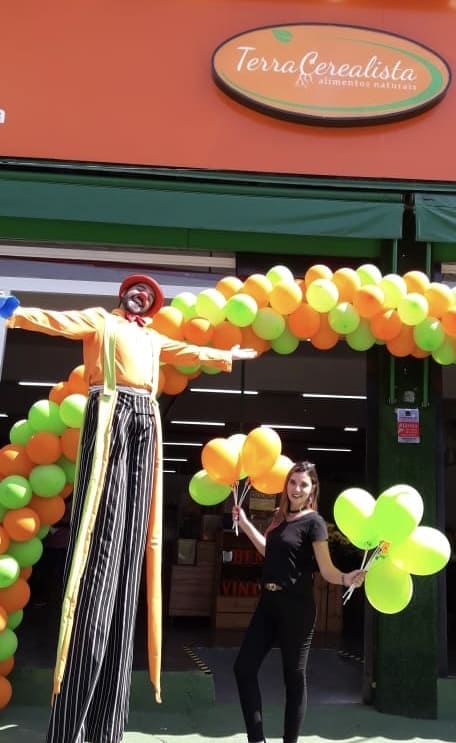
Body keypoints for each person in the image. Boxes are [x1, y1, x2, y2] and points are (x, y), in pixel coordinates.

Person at [4, 274, 257, 743]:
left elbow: (186, 351)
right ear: (123, 296)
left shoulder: (153, 336)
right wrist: (15, 314)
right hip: (111, 408)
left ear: (153, 304)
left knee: (138, 534)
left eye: (148, 294)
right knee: (101, 523)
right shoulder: (101, 321)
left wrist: (226, 356)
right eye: (136, 290)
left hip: (146, 414)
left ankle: (106, 728)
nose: (141, 295)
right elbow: (57, 321)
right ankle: (72, 724)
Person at [232, 461, 365, 743]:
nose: (296, 488)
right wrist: (244, 523)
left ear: (312, 488)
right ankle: (257, 739)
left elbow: (326, 569)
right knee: (243, 668)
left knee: (293, 678)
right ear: (286, 485)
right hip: (268, 604)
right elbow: (269, 552)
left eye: (303, 484)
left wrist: (346, 578)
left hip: (297, 607)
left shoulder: (314, 522)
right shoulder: (279, 519)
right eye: (293, 482)